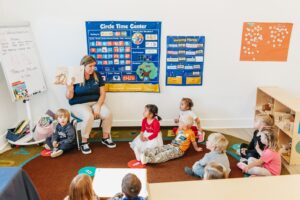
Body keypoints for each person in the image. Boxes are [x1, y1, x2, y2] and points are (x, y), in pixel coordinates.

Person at [66, 55, 116, 154]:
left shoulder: (97, 75)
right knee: (88, 116)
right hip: (78, 104)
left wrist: (98, 105)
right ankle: (84, 142)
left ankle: (105, 137)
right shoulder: (74, 76)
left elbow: (102, 94)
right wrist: (70, 87)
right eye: (90, 66)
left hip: (95, 102)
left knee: (107, 113)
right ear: (83, 66)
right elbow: (69, 97)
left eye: (94, 66)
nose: (92, 68)